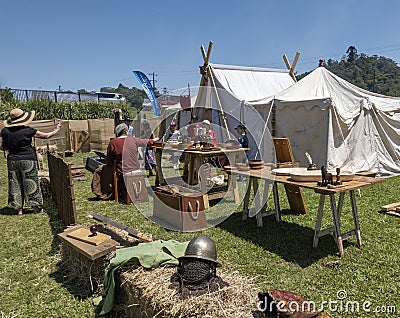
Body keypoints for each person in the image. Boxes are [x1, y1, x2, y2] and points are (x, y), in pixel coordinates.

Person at [0, 108, 62, 215]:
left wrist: (11, 147)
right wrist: (56, 129)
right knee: (31, 182)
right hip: (28, 159)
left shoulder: (5, 131)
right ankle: (35, 208)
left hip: (12, 160)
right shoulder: (28, 130)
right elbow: (46, 136)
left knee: (15, 183)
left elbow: (1, 146)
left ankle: (19, 210)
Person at [105, 123, 158, 199]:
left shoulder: (113, 143)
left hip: (122, 172)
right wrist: (155, 139)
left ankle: (108, 192)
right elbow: (148, 142)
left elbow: (109, 162)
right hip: (136, 169)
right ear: (126, 132)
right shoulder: (133, 140)